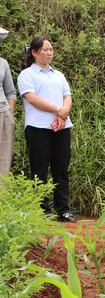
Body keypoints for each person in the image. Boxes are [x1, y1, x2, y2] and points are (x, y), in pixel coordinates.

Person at [17, 36, 76, 221]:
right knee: (39, 169)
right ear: (34, 52)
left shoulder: (58, 74)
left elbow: (68, 96)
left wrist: (63, 113)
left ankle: (63, 209)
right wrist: (58, 110)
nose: (49, 53)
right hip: (38, 128)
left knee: (61, 168)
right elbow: (32, 99)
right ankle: (43, 210)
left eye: (51, 49)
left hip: (62, 127)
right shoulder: (27, 75)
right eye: (45, 49)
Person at [0, 27, 16, 179]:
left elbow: (11, 92)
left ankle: (2, 199)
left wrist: (9, 111)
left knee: (3, 159)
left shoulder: (3, 63)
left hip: (3, 114)